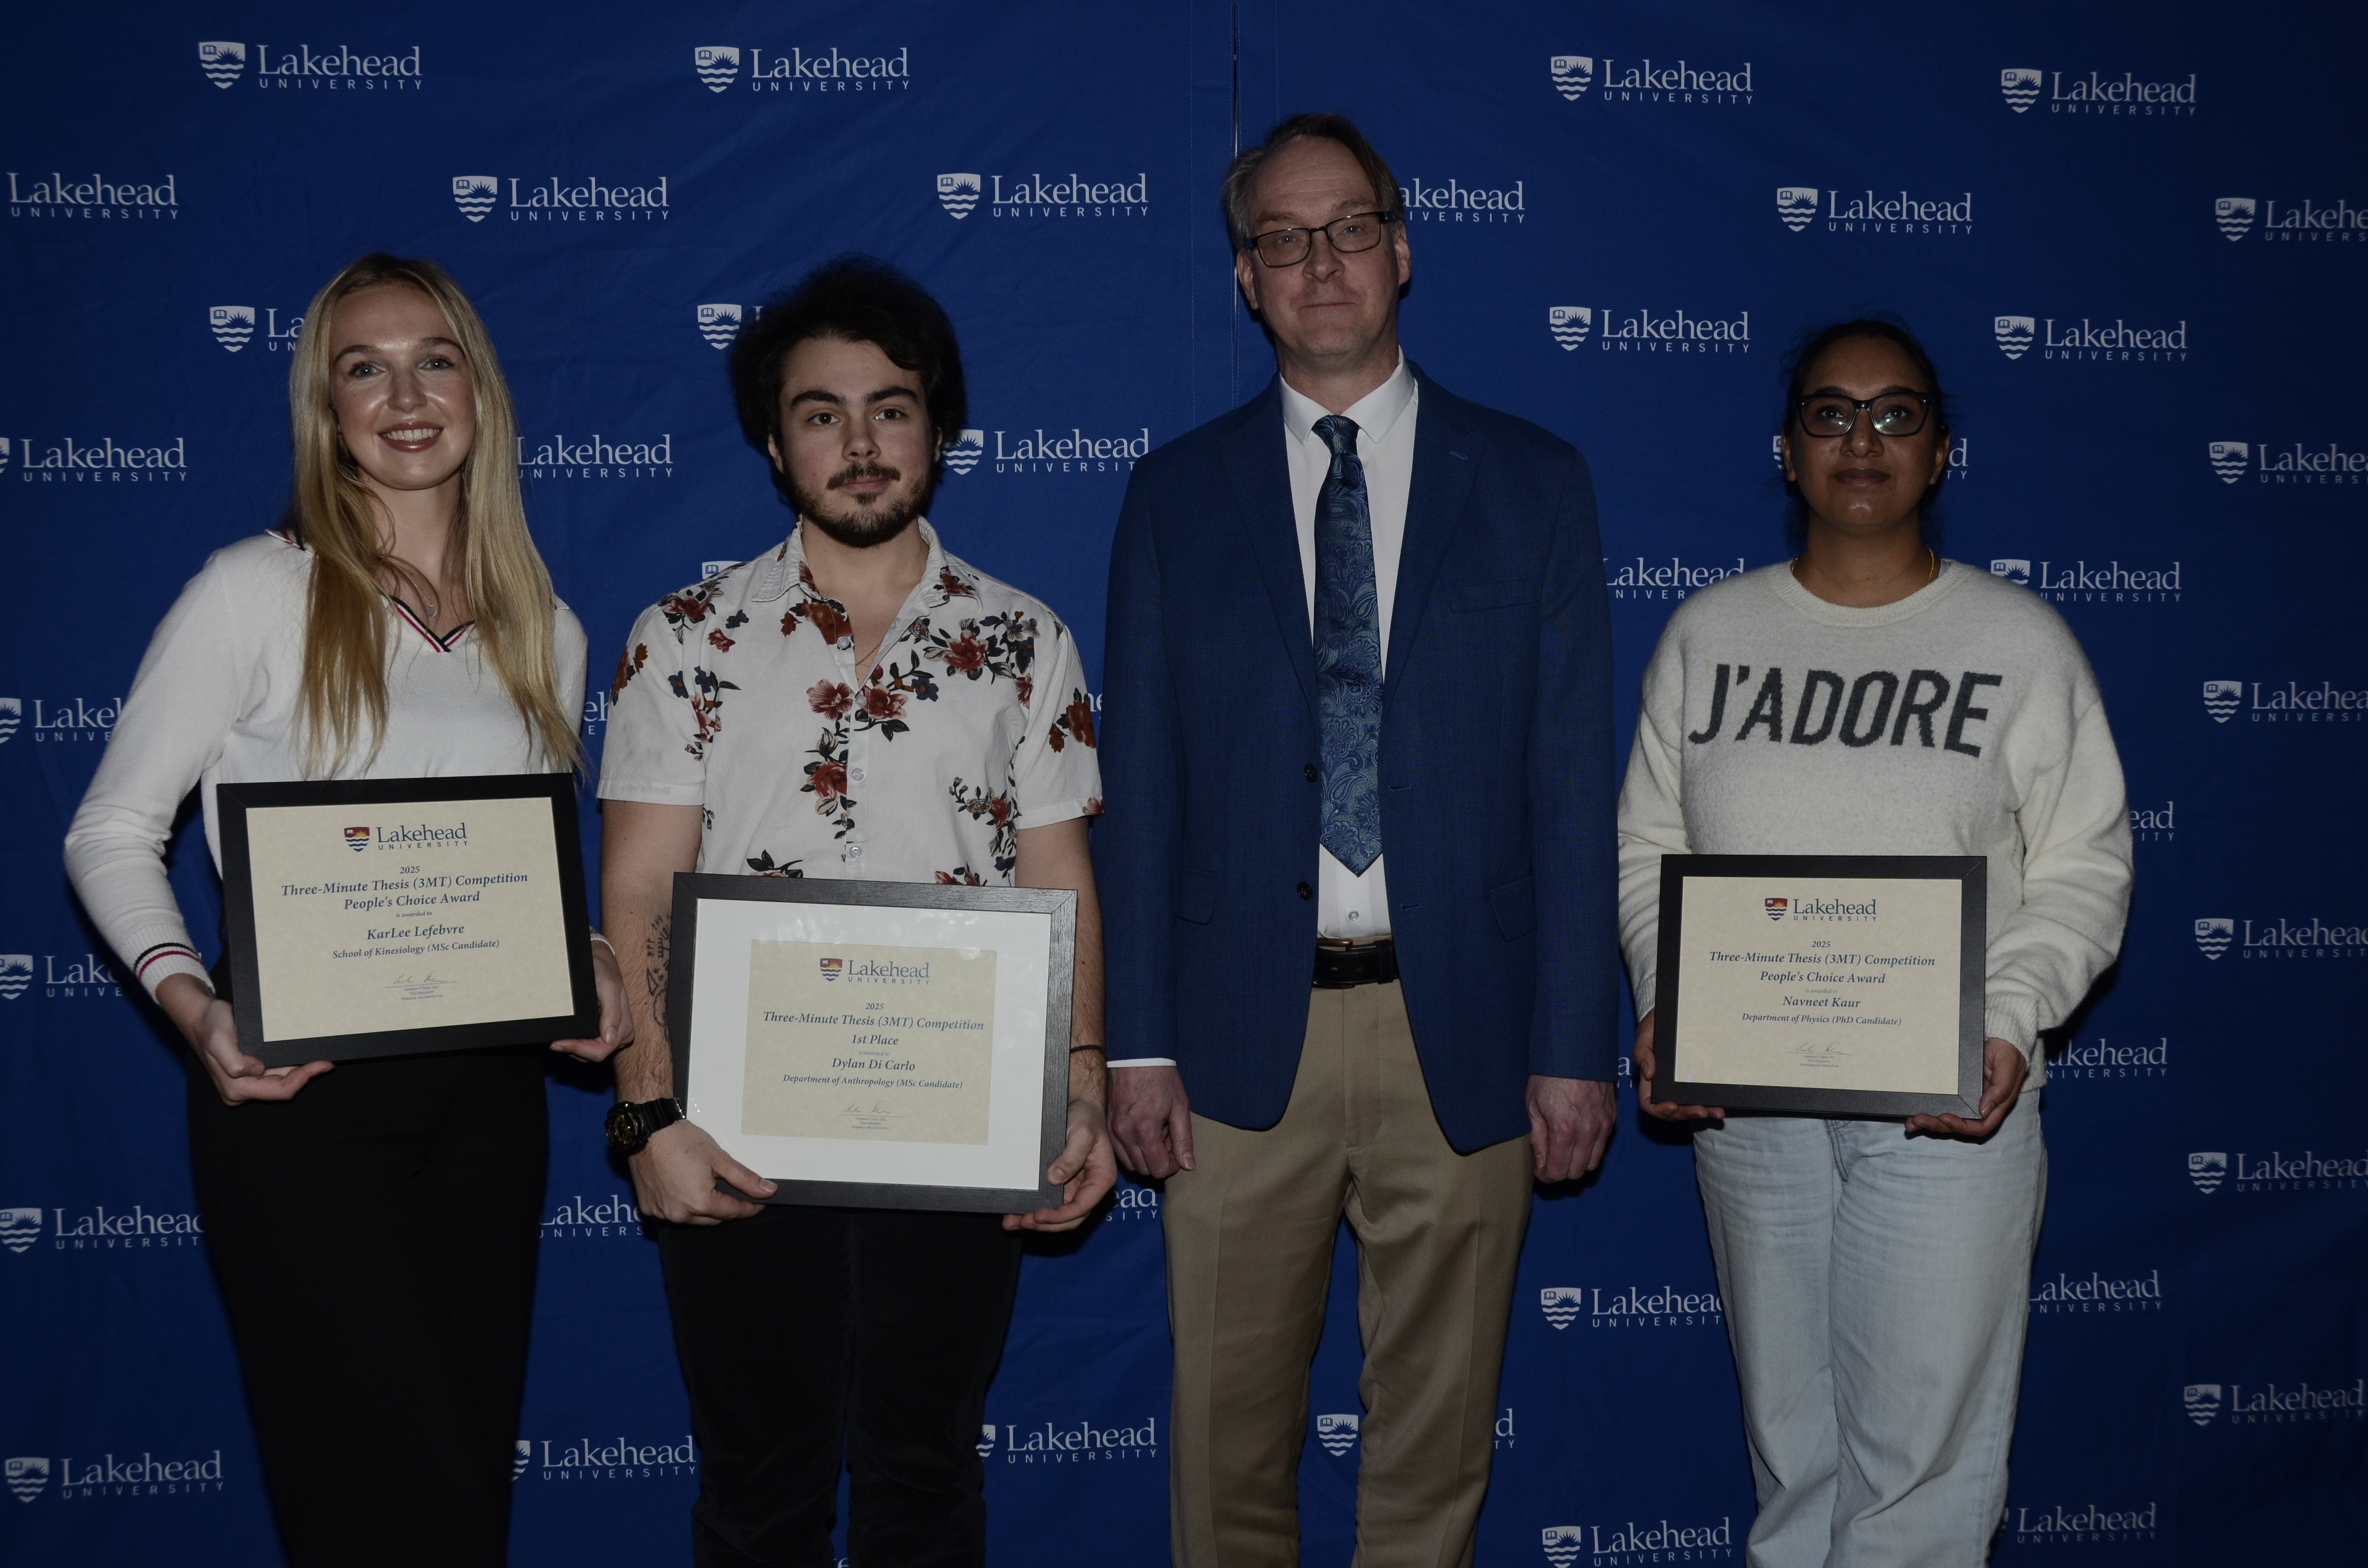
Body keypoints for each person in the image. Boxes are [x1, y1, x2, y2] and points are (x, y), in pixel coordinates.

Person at [1095, 114, 1620, 1567]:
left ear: (1402, 249)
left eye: (1345, 230)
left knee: (1436, 1456)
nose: (1317, 263)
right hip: (1228, 1042)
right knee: (1224, 1453)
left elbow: (1575, 785)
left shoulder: (1534, 483)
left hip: (1461, 1027)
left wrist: (1575, 1037)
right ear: (1247, 279)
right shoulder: (1172, 495)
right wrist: (1135, 1041)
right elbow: (1138, 785)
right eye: (1280, 238)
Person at [63, 252, 629, 1566]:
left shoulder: (545, 622)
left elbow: (530, 868)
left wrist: (588, 953)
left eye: (435, 360)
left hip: (490, 1109)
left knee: (464, 1495)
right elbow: (108, 831)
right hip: (303, 1104)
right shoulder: (252, 589)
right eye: (361, 369)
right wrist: (195, 1007)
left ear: (479, 394)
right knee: (379, 1498)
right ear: (326, 409)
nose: (405, 394)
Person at [595, 255, 1115, 1568]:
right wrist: (649, 1113)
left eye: (891, 407)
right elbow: (642, 886)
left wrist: (1082, 1092)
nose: (861, 441)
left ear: (937, 427)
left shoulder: (1025, 639)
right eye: (821, 413)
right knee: (757, 1491)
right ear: (775, 445)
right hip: (734, 1128)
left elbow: (1060, 879)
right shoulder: (686, 636)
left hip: (962, 1120)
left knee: (925, 1481)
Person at [1618, 318, 2133, 1565]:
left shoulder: (2020, 644)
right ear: (1785, 450)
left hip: (1948, 1101)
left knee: (1923, 1474)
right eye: (1831, 413)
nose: (1864, 439)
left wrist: (2005, 1022)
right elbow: (1650, 849)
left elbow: (2084, 864)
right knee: (1797, 1456)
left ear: (1943, 449)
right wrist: (1668, 999)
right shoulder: (1707, 637)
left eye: (1898, 413)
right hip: (1752, 1105)